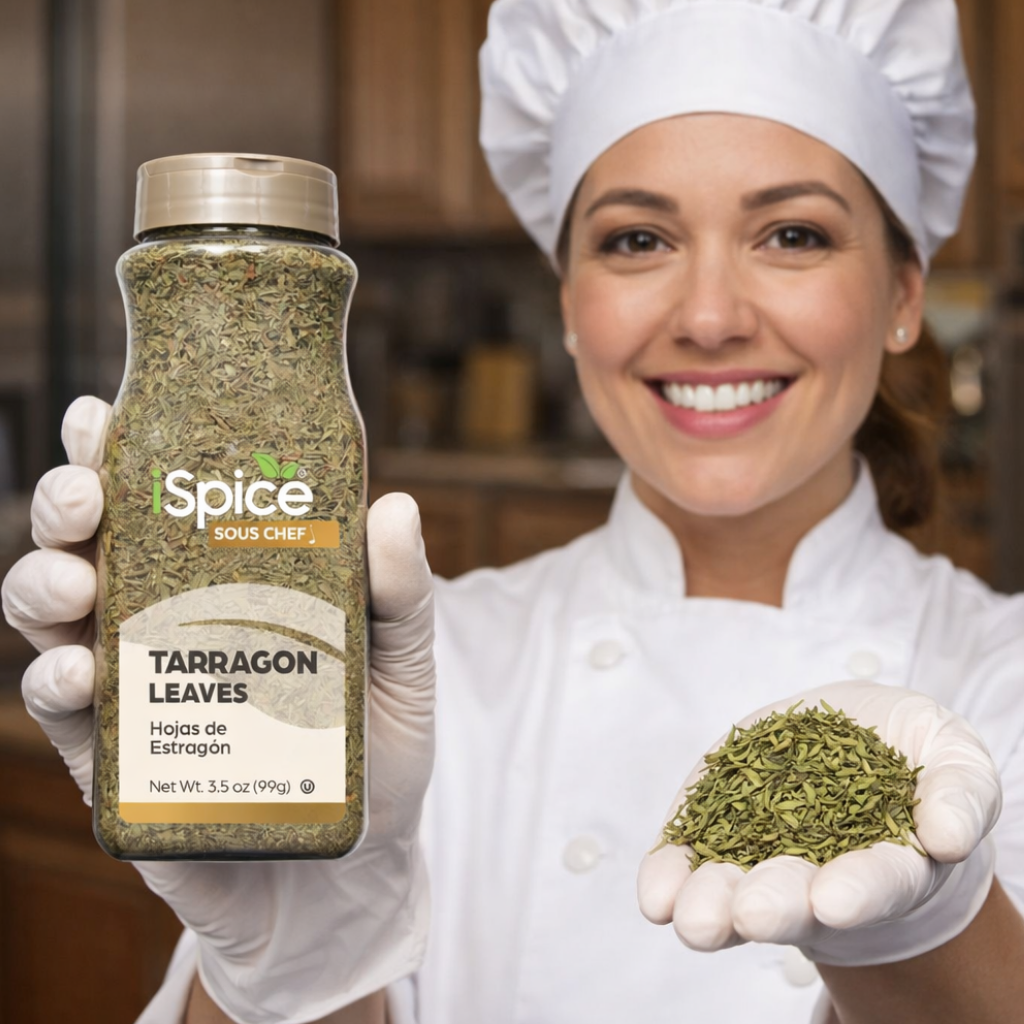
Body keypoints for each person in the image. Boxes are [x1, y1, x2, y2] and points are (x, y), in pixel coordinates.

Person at [4, 0, 1024, 1021]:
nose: (710, 317)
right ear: (570, 299)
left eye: (792, 234)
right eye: (637, 240)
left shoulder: (1003, 676)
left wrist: (925, 932)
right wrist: (300, 960)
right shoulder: (401, 676)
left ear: (901, 293)